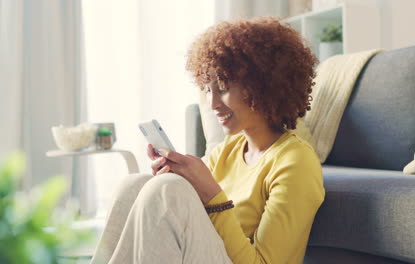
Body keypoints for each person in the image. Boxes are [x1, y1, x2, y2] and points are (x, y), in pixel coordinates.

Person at [91, 17, 324, 264]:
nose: (212, 104)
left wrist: (213, 197)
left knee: (166, 191)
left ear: (262, 86)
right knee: (136, 185)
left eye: (222, 87)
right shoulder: (230, 150)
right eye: (207, 89)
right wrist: (175, 173)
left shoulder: (295, 162)